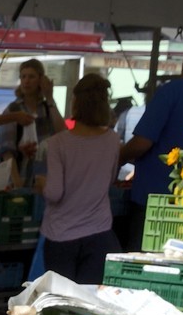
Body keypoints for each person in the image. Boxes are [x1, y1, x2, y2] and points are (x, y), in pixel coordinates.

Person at [120, 35, 183, 250]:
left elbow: (142, 143)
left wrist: (117, 158)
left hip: (154, 200)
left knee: (142, 264)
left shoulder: (170, 92)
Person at [36, 73, 120, 286]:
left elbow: (54, 193)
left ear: (75, 103)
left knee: (61, 304)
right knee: (89, 304)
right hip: (100, 234)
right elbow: (110, 180)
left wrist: (41, 184)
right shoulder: (112, 140)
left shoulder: (57, 143)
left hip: (61, 237)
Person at [0, 59, 66, 186]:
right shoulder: (13, 109)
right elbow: (6, 151)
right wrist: (16, 180)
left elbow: (62, 132)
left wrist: (50, 98)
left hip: (46, 177)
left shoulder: (47, 108)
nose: (26, 81)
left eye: (31, 77)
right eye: (23, 77)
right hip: (21, 175)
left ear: (41, 80)